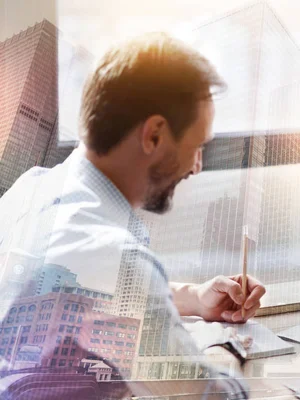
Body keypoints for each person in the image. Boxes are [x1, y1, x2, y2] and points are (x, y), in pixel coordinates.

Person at [0, 33, 265, 398]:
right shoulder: (114, 257)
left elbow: (82, 291)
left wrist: (194, 297)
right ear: (154, 134)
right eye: (197, 145)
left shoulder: (28, 191)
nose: (197, 166)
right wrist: (226, 351)